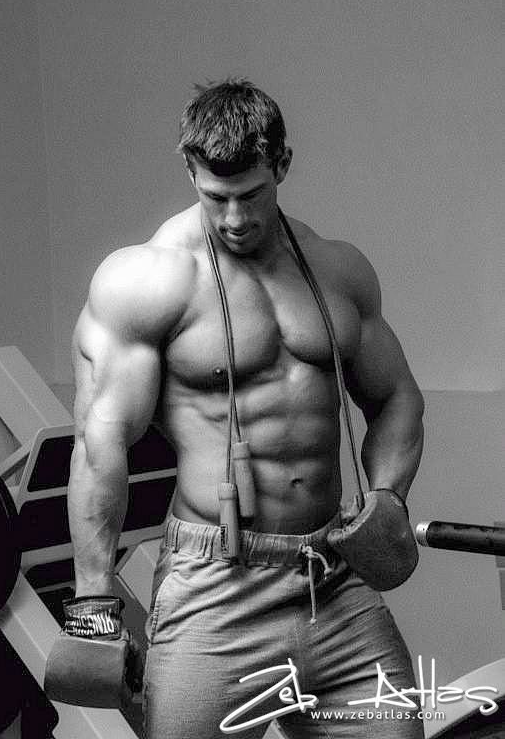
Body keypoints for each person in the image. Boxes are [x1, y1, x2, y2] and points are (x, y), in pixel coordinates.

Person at [66, 79, 425, 738]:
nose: (234, 218)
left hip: (332, 580)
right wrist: (93, 606)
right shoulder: (148, 280)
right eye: (215, 197)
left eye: (251, 195)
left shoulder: (337, 269)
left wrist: (387, 499)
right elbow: (100, 444)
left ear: (281, 165)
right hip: (216, 591)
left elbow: (396, 396)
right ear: (190, 172)